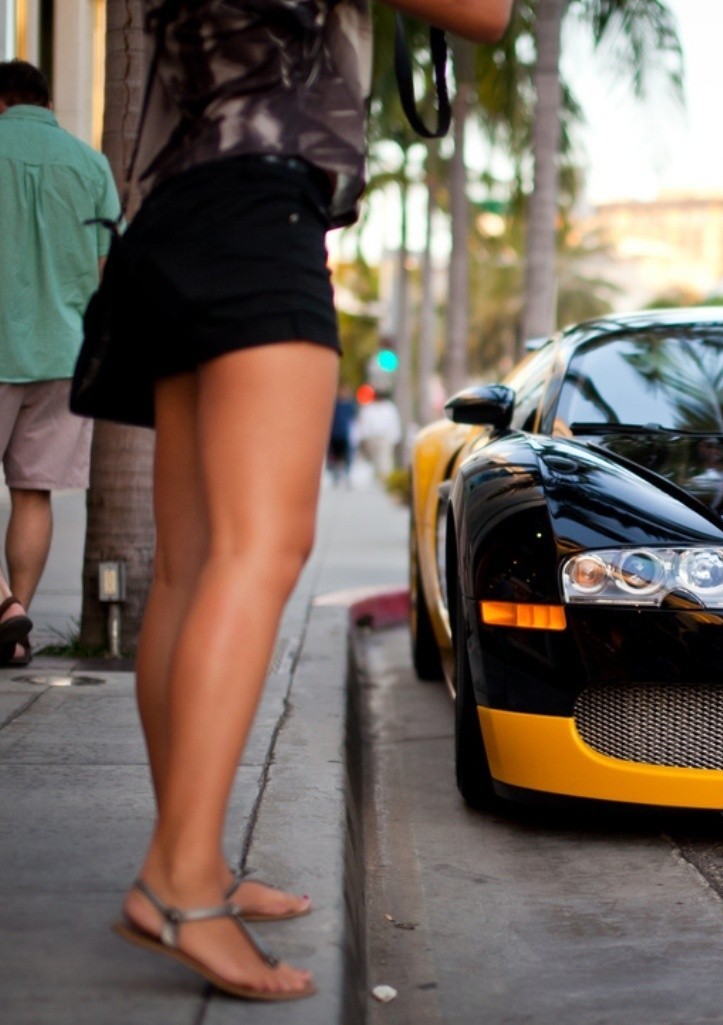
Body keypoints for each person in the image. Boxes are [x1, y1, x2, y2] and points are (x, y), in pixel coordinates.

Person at [83, 0, 513, 1001]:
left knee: (196, 564)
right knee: (259, 549)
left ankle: (188, 858)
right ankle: (181, 882)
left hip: (174, 206)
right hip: (258, 202)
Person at [0, 61, 120, 666]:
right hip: (62, 355)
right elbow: (107, 276)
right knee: (32, 492)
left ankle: (4, 609)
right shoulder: (92, 165)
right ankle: (14, 626)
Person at [327, 384, 358, 486]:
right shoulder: (334, 404)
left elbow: (354, 419)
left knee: (345, 456)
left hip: (345, 434)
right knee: (334, 456)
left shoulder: (350, 405)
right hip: (335, 433)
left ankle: (345, 475)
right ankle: (336, 475)